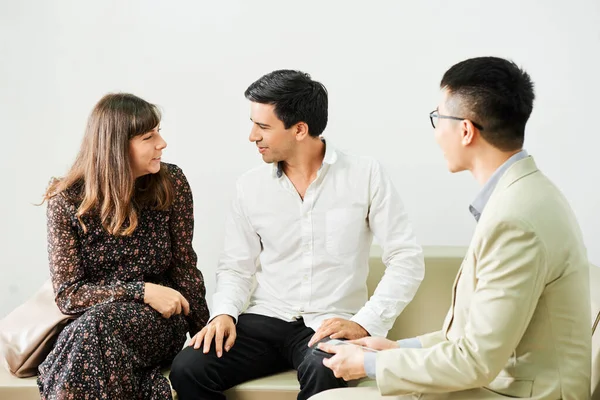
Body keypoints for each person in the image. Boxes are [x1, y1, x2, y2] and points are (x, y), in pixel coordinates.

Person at [313, 56, 591, 400]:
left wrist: (369, 366)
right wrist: (395, 348)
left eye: (438, 118)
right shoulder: (526, 194)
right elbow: (473, 339)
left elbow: (476, 361)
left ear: (465, 130)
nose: (436, 132)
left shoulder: (515, 220)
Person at [169, 70, 425, 400]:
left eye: (263, 127)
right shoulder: (250, 186)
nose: (252, 136)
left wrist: (365, 323)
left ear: (300, 129)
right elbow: (236, 267)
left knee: (325, 369)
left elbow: (406, 259)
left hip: (331, 324)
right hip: (266, 318)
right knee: (188, 368)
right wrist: (223, 314)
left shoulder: (365, 175)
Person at [37, 93, 209, 399]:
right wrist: (142, 291)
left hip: (158, 323)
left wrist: (205, 332)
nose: (162, 143)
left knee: (92, 332)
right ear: (116, 147)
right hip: (92, 328)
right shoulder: (66, 200)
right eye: (148, 136)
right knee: (93, 330)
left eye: (158, 131)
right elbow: (69, 295)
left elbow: (184, 266)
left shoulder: (172, 183)